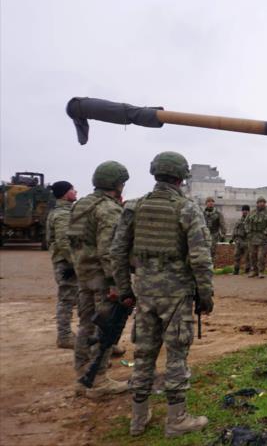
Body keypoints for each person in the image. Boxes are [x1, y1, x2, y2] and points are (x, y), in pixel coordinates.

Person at [110, 151, 213, 438]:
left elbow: (117, 251)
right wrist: (206, 295)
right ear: (181, 177)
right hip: (177, 295)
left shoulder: (134, 207)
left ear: (155, 173)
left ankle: (138, 419)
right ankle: (176, 420)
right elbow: (200, 258)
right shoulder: (187, 209)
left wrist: (125, 289)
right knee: (177, 355)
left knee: (143, 353)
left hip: (144, 294)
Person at [67, 161, 130, 397]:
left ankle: (83, 373)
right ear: (117, 184)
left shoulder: (81, 205)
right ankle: (98, 380)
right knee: (106, 328)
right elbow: (109, 251)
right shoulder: (109, 209)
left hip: (84, 275)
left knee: (86, 325)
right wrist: (116, 283)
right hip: (103, 279)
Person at [46, 180, 78, 349]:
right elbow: (64, 242)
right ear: (66, 193)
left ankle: (70, 334)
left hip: (65, 261)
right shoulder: (63, 214)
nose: (76, 191)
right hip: (67, 264)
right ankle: (64, 336)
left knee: (75, 298)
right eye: (73, 189)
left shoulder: (61, 211)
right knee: (66, 299)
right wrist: (75, 263)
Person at [246, 197, 267, 278]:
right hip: (252, 237)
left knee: (261, 256)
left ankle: (261, 271)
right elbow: (246, 223)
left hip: (263, 238)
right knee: (252, 255)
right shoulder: (251, 213)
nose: (262, 203)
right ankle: (253, 271)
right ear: (257, 203)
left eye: (263, 202)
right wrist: (248, 232)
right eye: (260, 202)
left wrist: (265, 232)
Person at [229, 205, 252, 275]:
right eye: (243, 210)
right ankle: (236, 271)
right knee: (236, 256)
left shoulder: (251, 220)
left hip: (247, 241)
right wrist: (232, 239)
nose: (245, 211)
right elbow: (235, 230)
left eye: (246, 210)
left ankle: (247, 271)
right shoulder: (239, 221)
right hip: (238, 241)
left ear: (249, 211)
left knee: (247, 257)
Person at [202, 197, 226, 261]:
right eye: (209, 201)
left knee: (212, 251)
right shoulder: (202, 213)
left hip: (214, 234)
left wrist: (223, 234)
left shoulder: (218, 213)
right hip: (204, 235)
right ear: (206, 203)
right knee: (204, 251)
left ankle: (212, 266)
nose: (210, 203)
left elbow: (222, 224)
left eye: (212, 201)